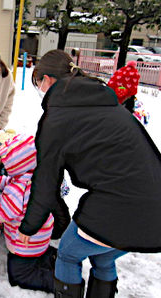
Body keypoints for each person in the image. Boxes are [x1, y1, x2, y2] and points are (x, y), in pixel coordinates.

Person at [17, 50, 161, 298]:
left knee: (69, 253)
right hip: (155, 205)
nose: (39, 89)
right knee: (103, 255)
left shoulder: (58, 118)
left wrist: (29, 227)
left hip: (119, 202)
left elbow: (46, 181)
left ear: (48, 80)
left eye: (37, 82)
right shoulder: (107, 103)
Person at [0, 134, 70, 293]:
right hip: (40, 235)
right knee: (38, 255)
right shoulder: (38, 176)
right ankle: (51, 257)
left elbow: (0, 214)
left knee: (19, 275)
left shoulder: (17, 190)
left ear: (16, 165)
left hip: (25, 244)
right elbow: (13, 182)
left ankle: (61, 285)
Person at [107, 61, 150, 126]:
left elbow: (113, 81)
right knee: (128, 107)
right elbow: (133, 86)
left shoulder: (121, 70)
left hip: (115, 93)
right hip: (126, 95)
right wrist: (130, 93)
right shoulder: (135, 73)